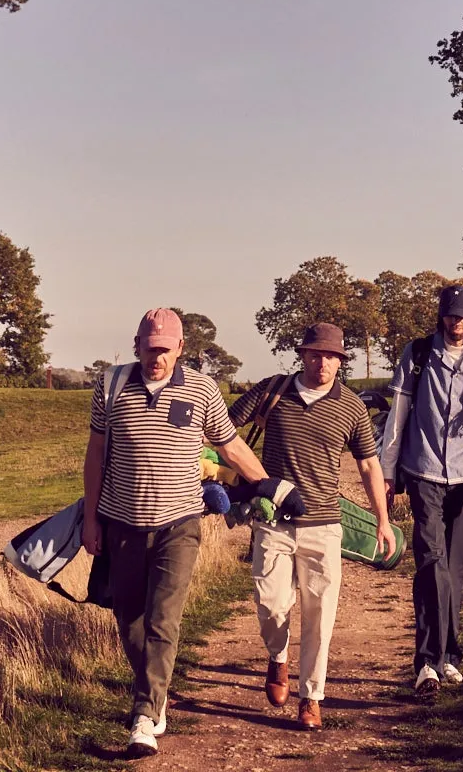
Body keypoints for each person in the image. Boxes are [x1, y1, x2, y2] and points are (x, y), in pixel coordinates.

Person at [84, 307, 269, 759]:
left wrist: (268, 486)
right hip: (121, 523)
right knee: (129, 621)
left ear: (181, 348)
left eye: (166, 350)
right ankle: (156, 692)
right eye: (151, 349)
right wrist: (91, 519)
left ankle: (144, 716)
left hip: (178, 525)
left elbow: (230, 445)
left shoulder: (203, 390)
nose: (158, 358)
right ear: (137, 345)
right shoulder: (109, 386)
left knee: (163, 620)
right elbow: (94, 455)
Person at [228, 322, 395, 731]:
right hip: (273, 521)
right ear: (302, 355)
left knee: (320, 614)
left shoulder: (352, 406)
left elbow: (370, 465)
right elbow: (223, 430)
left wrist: (383, 521)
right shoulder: (274, 390)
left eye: (332, 357)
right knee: (270, 603)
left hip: (324, 525)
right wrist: (243, 479)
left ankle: (311, 697)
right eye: (316, 354)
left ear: (341, 361)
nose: (324, 363)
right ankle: (278, 658)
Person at [376, 285, 463, 698]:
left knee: (454, 568)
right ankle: (427, 664)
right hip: (423, 473)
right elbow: (397, 419)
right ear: (441, 316)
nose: (456, 322)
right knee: (431, 563)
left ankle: (451, 656)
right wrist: (387, 473)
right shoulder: (417, 355)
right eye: (450, 315)